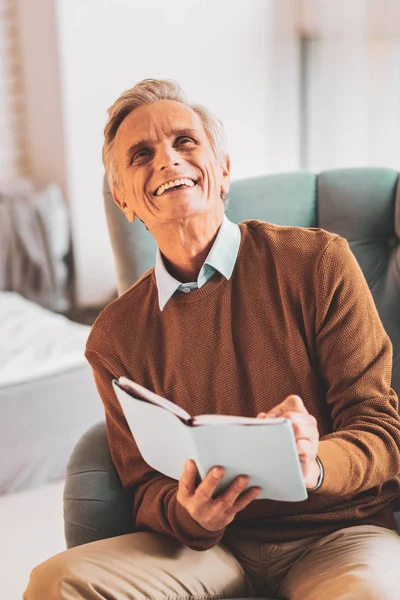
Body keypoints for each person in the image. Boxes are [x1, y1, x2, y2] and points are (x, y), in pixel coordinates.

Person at [24, 79, 400, 600]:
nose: (167, 161)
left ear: (222, 171)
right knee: (54, 582)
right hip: (207, 550)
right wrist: (189, 514)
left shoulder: (317, 262)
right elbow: (142, 486)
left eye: (185, 142)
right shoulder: (113, 336)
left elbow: (381, 432)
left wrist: (312, 465)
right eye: (141, 155)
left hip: (339, 533)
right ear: (124, 199)